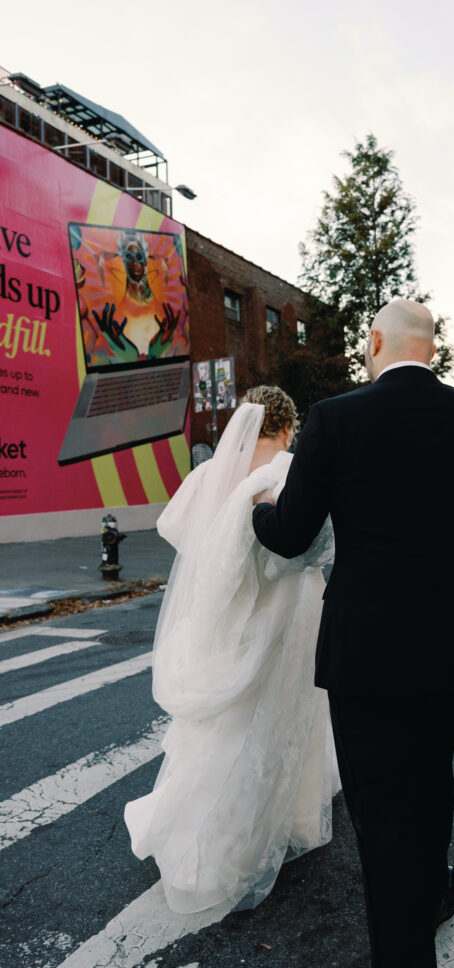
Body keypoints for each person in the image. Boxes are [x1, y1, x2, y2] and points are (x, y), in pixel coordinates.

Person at [253, 300, 454, 968]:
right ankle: (432, 889)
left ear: (374, 341)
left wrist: (258, 512)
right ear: (432, 350)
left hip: (363, 650)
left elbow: (291, 535)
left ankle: (404, 953)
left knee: (380, 806)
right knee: (428, 780)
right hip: (450, 649)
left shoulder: (335, 418)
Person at [124, 385, 339, 915]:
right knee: (281, 720)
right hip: (287, 612)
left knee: (224, 726)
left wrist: (217, 553)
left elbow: (174, 526)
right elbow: (310, 546)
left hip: (224, 614)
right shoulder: (291, 470)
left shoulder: (209, 474)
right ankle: (281, 824)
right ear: (288, 427)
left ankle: (201, 833)